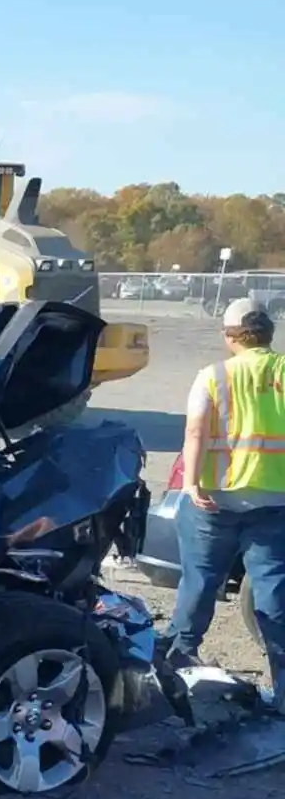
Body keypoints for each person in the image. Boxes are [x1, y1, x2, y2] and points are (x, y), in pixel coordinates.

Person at [170, 298, 285, 697]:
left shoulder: (214, 376)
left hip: (214, 499)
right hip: (275, 501)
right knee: (272, 593)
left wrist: (190, 484)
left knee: (199, 582)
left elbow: (196, 433)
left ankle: (176, 666)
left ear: (232, 335)